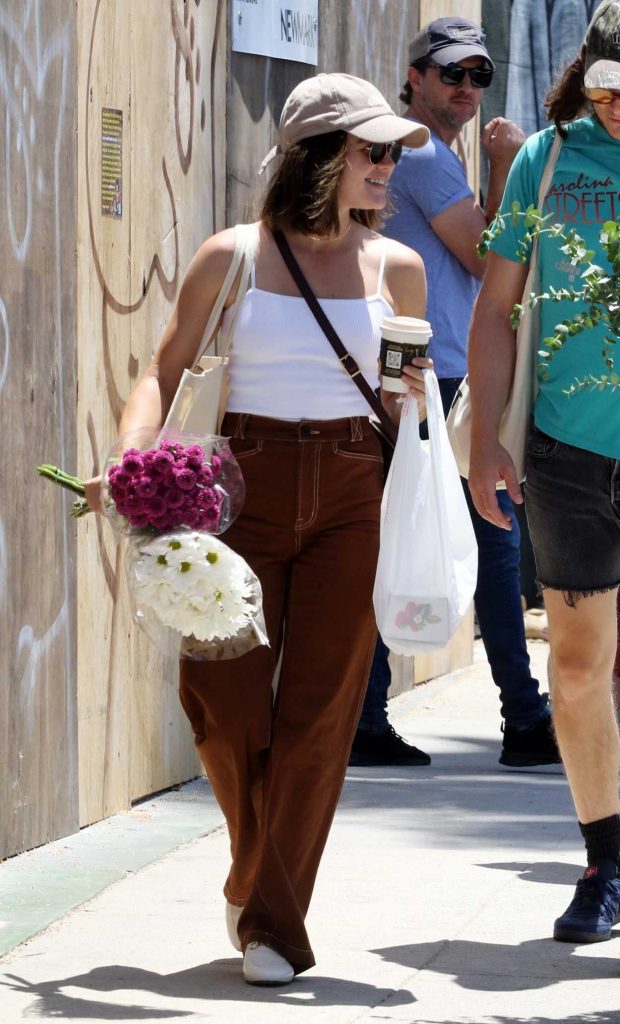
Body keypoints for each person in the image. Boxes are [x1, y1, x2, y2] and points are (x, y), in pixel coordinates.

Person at [85, 73, 430, 984]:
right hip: (237, 489)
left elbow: (405, 408)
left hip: (355, 491)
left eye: (392, 153)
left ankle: (274, 921)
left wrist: (423, 409)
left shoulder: (396, 268)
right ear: (322, 156)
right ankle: (254, 865)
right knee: (223, 703)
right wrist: (132, 461)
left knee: (320, 714)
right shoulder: (231, 255)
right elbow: (162, 372)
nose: (390, 169)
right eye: (375, 151)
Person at [350, 16, 561, 770]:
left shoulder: (410, 150)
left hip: (427, 368)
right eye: (451, 74)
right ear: (414, 78)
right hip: (434, 372)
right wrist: (506, 164)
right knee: (492, 537)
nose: (467, 89)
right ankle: (522, 717)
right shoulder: (426, 155)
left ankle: (373, 717)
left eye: (479, 76)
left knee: (418, 538)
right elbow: (485, 255)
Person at [467, 0, 620, 943]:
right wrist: (488, 440)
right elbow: (494, 308)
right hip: (567, 452)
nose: (617, 110)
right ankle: (605, 861)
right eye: (607, 89)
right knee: (576, 664)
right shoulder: (547, 159)